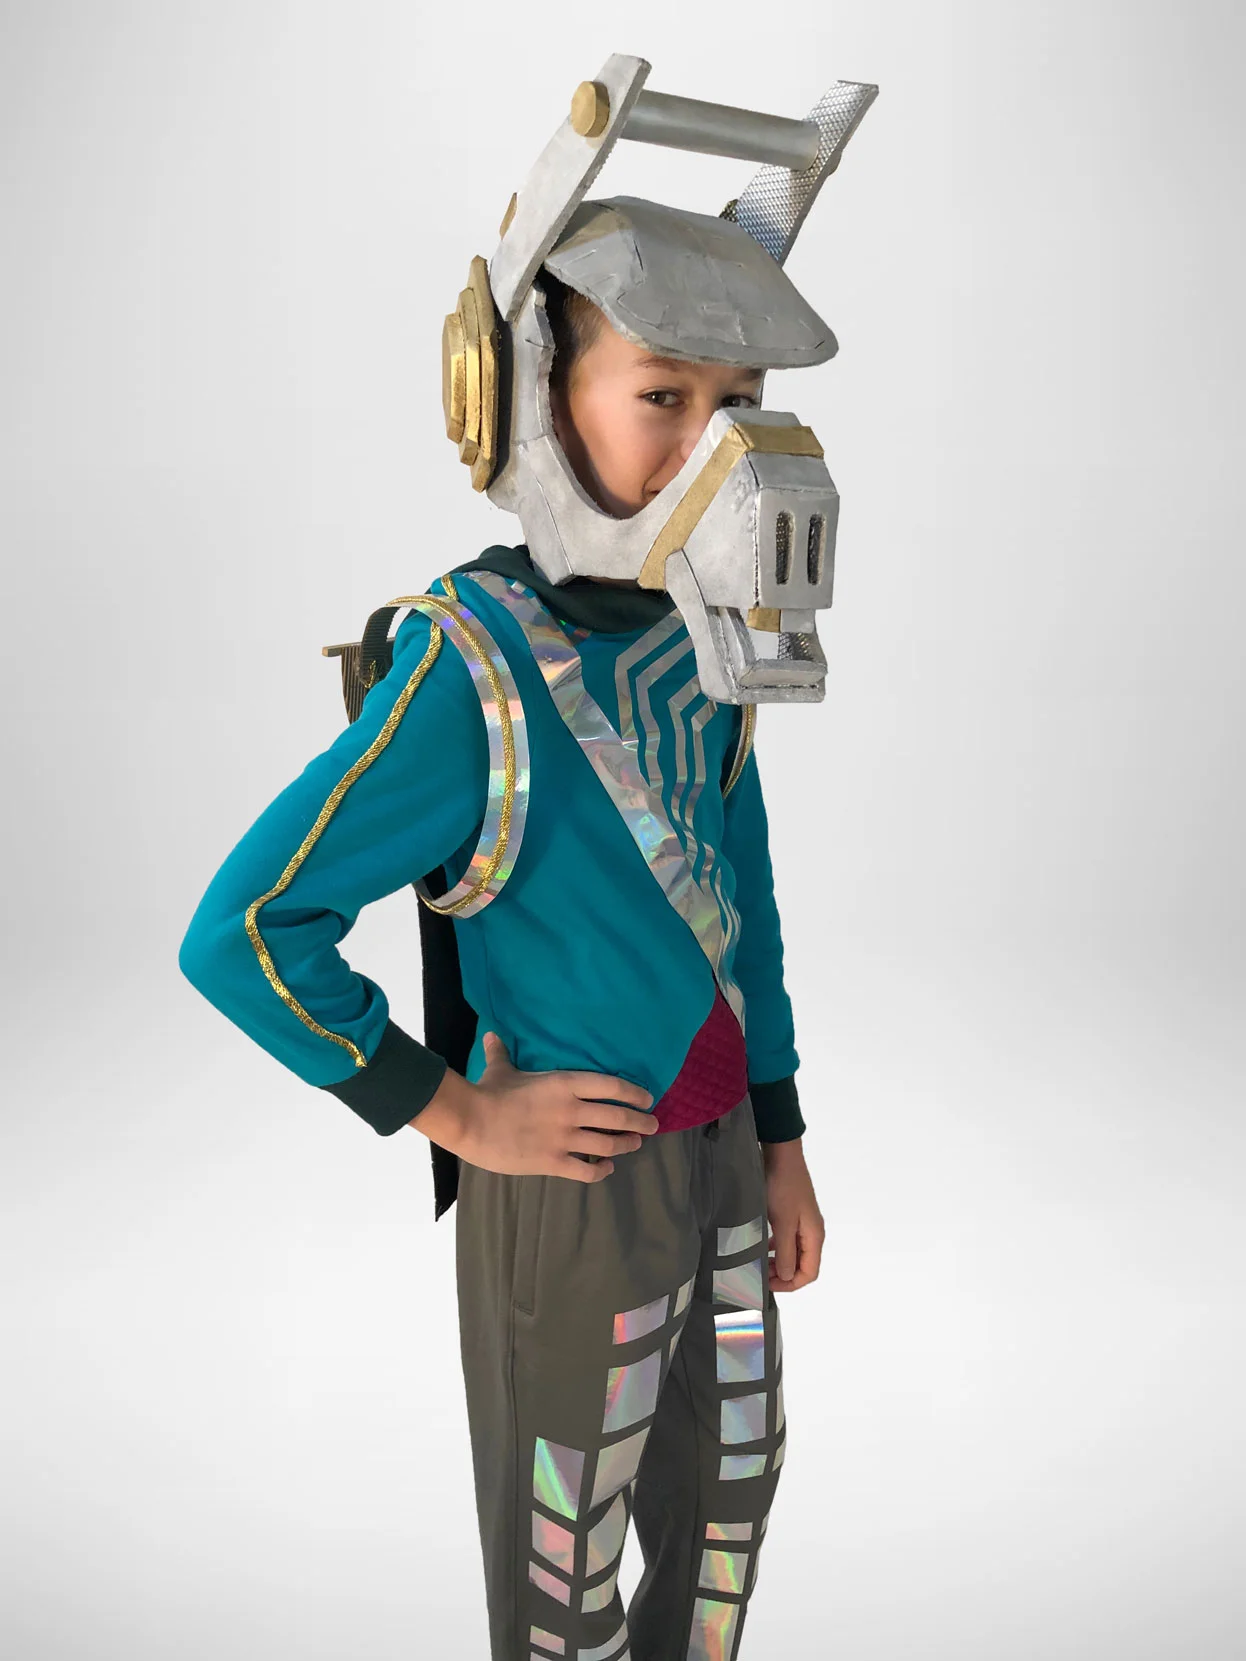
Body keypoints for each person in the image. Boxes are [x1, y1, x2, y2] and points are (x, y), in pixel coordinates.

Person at [181, 56, 876, 1661]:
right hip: (571, 1186)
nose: (710, 445)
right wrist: (452, 1111)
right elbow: (246, 930)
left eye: (736, 405)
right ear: (523, 392)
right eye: (663, 396)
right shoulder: (468, 665)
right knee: (568, 1549)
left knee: (728, 1492)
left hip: (717, 1156)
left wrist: (778, 1137)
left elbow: (743, 913)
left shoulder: (708, 645)